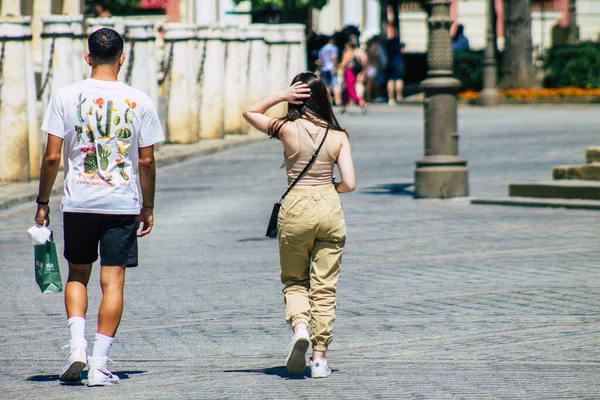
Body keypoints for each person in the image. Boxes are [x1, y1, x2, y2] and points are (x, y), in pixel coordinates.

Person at [34, 28, 164, 386]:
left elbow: (51, 157)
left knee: (78, 274)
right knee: (113, 281)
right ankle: (99, 363)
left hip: (79, 202)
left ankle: (77, 347)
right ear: (122, 58)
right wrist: (147, 205)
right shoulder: (140, 100)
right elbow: (147, 162)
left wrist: (43, 202)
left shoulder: (65, 96)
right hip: (122, 202)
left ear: (87, 57)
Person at [242, 72, 356, 378]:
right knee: (325, 287)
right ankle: (319, 359)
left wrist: (281, 95)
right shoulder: (338, 135)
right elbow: (350, 182)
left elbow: (250, 112)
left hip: (296, 207)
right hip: (329, 206)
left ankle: (300, 327)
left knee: (294, 279)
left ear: (298, 97)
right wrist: (330, 188)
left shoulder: (287, 128)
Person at [339, 35, 367, 114]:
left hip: (348, 73)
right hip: (352, 73)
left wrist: (338, 67)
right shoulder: (354, 53)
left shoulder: (347, 53)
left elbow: (344, 64)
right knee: (347, 92)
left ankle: (362, 103)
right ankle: (344, 107)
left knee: (351, 91)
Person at [385, 24, 406, 105]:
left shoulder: (387, 43)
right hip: (398, 62)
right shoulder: (398, 42)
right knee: (398, 79)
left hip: (389, 62)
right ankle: (399, 96)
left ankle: (391, 98)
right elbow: (403, 51)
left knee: (390, 80)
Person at [318, 37, 342, 106]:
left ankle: (329, 101)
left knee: (327, 86)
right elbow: (334, 57)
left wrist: (320, 69)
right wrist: (336, 66)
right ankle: (338, 101)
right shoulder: (333, 48)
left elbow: (320, 61)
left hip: (324, 69)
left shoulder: (322, 49)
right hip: (332, 68)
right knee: (335, 85)